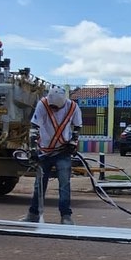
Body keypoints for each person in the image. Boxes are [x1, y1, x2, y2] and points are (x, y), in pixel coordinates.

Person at [24, 85, 83, 224]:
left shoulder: (73, 107)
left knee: (64, 184)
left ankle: (66, 216)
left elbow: (78, 127)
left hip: (62, 151)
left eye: (56, 108)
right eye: (52, 107)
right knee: (39, 184)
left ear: (63, 103)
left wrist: (73, 143)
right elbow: (34, 127)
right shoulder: (43, 104)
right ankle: (34, 215)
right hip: (44, 150)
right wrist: (32, 149)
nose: (53, 110)